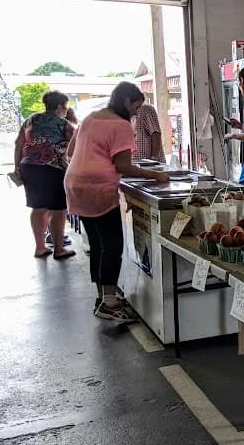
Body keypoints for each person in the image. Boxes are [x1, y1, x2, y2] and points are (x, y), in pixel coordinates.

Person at [65, 82, 169, 323]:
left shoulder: (91, 118)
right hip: (98, 189)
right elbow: (122, 166)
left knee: (97, 244)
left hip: (75, 184)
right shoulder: (121, 125)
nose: (136, 112)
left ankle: (103, 297)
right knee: (112, 245)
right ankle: (110, 303)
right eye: (135, 106)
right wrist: (157, 175)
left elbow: (71, 152)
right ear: (125, 102)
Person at [14, 91, 76, 259]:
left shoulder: (31, 119)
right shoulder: (64, 125)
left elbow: (19, 143)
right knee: (58, 210)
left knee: (38, 207)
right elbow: (74, 149)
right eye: (65, 107)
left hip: (29, 167)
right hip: (53, 167)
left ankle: (40, 247)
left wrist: (17, 167)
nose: (66, 110)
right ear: (59, 107)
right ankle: (58, 249)